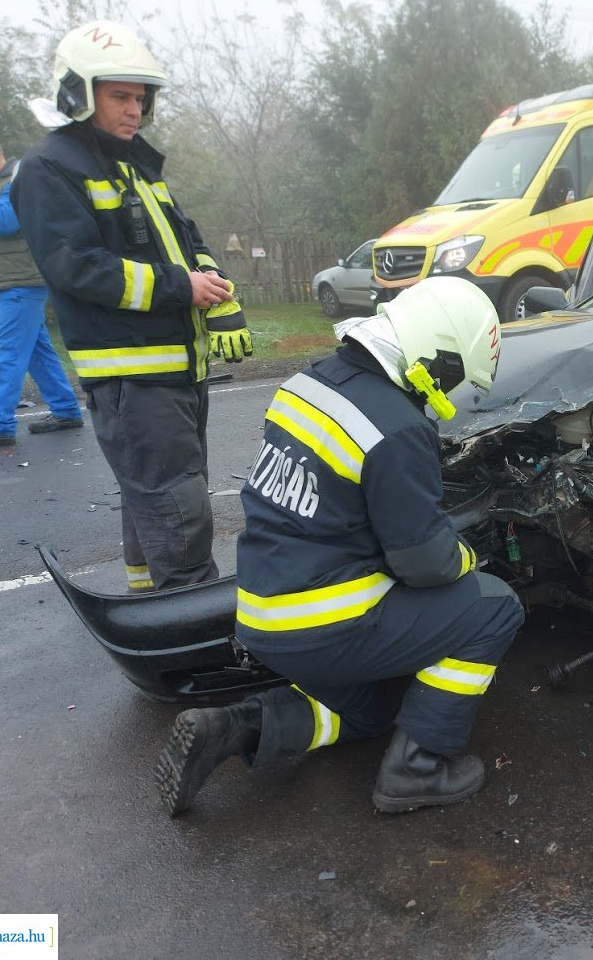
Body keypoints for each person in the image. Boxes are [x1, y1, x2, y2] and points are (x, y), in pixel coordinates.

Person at [154, 278, 524, 817]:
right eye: (456, 375)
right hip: (326, 621)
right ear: (438, 355)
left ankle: (235, 726)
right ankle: (416, 769)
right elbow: (425, 564)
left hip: (261, 614)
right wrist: (468, 555)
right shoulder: (396, 427)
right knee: (494, 607)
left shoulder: (308, 383)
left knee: (374, 712)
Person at [12, 20, 252, 592]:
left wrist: (213, 285)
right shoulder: (51, 167)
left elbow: (185, 237)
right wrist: (180, 287)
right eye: (120, 96)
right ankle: (190, 617)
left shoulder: (132, 163)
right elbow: (74, 265)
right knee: (178, 505)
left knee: (157, 493)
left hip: (174, 364)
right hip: (133, 373)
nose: (134, 110)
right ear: (77, 94)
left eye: (140, 98)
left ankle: (151, 600)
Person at [0, 131, 84, 448]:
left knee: (6, 353)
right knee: (38, 352)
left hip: (23, 282)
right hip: (14, 282)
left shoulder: (18, 181)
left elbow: (5, 223)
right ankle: (66, 410)